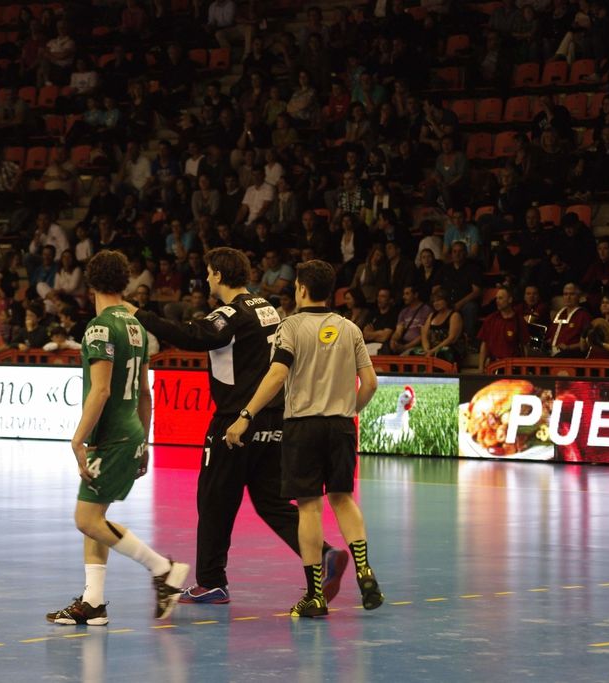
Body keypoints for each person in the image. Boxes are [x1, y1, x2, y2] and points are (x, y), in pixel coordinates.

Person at [123, 247, 348, 605]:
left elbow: (192, 337)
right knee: (272, 502)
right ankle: (323, 553)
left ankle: (211, 581)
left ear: (218, 274)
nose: (208, 278)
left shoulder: (230, 312)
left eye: (210, 273)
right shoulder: (266, 307)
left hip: (236, 422)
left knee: (213, 499)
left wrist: (138, 314)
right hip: (273, 418)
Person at [224, 260, 382, 618]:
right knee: (343, 499)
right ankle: (364, 569)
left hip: (302, 427)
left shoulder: (290, 326)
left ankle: (315, 595)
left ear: (302, 290)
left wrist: (245, 416)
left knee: (310, 507)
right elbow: (370, 383)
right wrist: (349, 410)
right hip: (341, 425)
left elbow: (278, 373)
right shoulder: (350, 328)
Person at [47, 250, 188, 626]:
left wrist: (77, 440)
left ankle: (164, 569)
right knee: (96, 514)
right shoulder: (136, 327)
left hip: (111, 437)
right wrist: (146, 442)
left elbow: (102, 390)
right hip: (130, 432)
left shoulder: (99, 327)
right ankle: (93, 602)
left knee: (86, 519)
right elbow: (145, 392)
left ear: (90, 284)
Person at [477, 288, 528, 372]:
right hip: (494, 365)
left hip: (513, 367)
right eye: (496, 298)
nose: (497, 301)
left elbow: (524, 345)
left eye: (500, 298)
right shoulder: (490, 319)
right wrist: (481, 367)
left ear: (510, 300)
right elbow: (484, 344)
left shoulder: (519, 320)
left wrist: (525, 368)